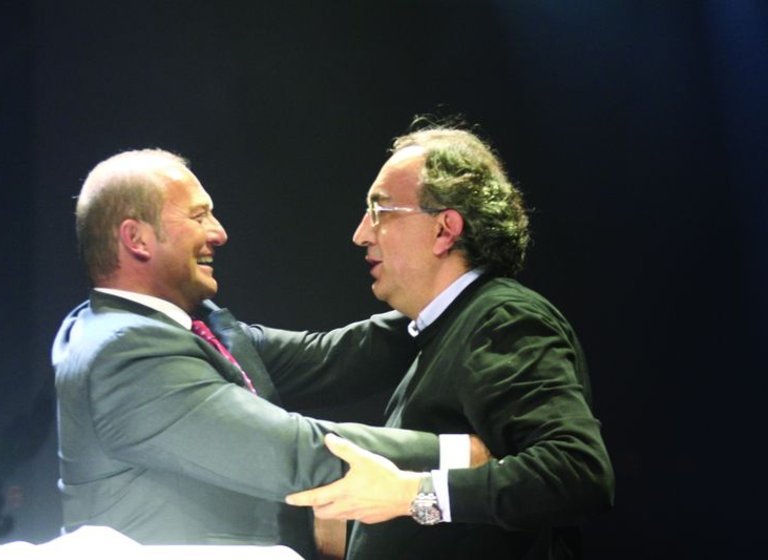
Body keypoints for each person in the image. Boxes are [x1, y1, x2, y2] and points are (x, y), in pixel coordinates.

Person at [52, 148, 487, 559]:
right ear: (137, 239)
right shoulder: (124, 354)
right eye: (199, 216)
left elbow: (334, 359)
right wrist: (467, 456)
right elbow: (294, 451)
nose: (218, 233)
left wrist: (450, 294)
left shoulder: (186, 326)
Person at [286, 125, 615, 559]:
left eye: (380, 210)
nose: (361, 233)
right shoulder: (441, 328)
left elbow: (575, 472)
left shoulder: (501, 318)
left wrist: (413, 494)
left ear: (445, 230)